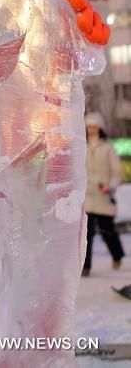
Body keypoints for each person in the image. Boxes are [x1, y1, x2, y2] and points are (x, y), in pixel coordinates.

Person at [82, 112, 125, 277]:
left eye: (94, 127)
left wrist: (110, 186)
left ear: (100, 128)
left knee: (108, 231)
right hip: (87, 197)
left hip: (103, 195)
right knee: (87, 234)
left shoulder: (108, 147)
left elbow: (117, 172)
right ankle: (86, 267)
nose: (91, 130)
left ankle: (117, 255)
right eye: (89, 127)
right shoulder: (82, 146)